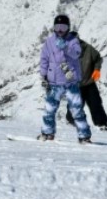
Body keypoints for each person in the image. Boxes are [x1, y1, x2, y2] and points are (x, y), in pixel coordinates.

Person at [38, 14, 91, 143]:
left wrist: (66, 47)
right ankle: (47, 133)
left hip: (70, 81)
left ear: (68, 27)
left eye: (63, 27)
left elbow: (77, 54)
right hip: (54, 82)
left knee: (77, 110)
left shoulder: (73, 40)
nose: (60, 30)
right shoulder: (49, 42)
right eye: (57, 27)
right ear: (54, 28)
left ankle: (84, 136)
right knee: (49, 109)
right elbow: (44, 59)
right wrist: (44, 75)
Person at [65, 38, 107, 130]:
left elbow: (98, 58)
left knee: (95, 103)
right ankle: (71, 123)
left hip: (89, 82)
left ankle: (101, 124)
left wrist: (97, 69)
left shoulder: (88, 49)